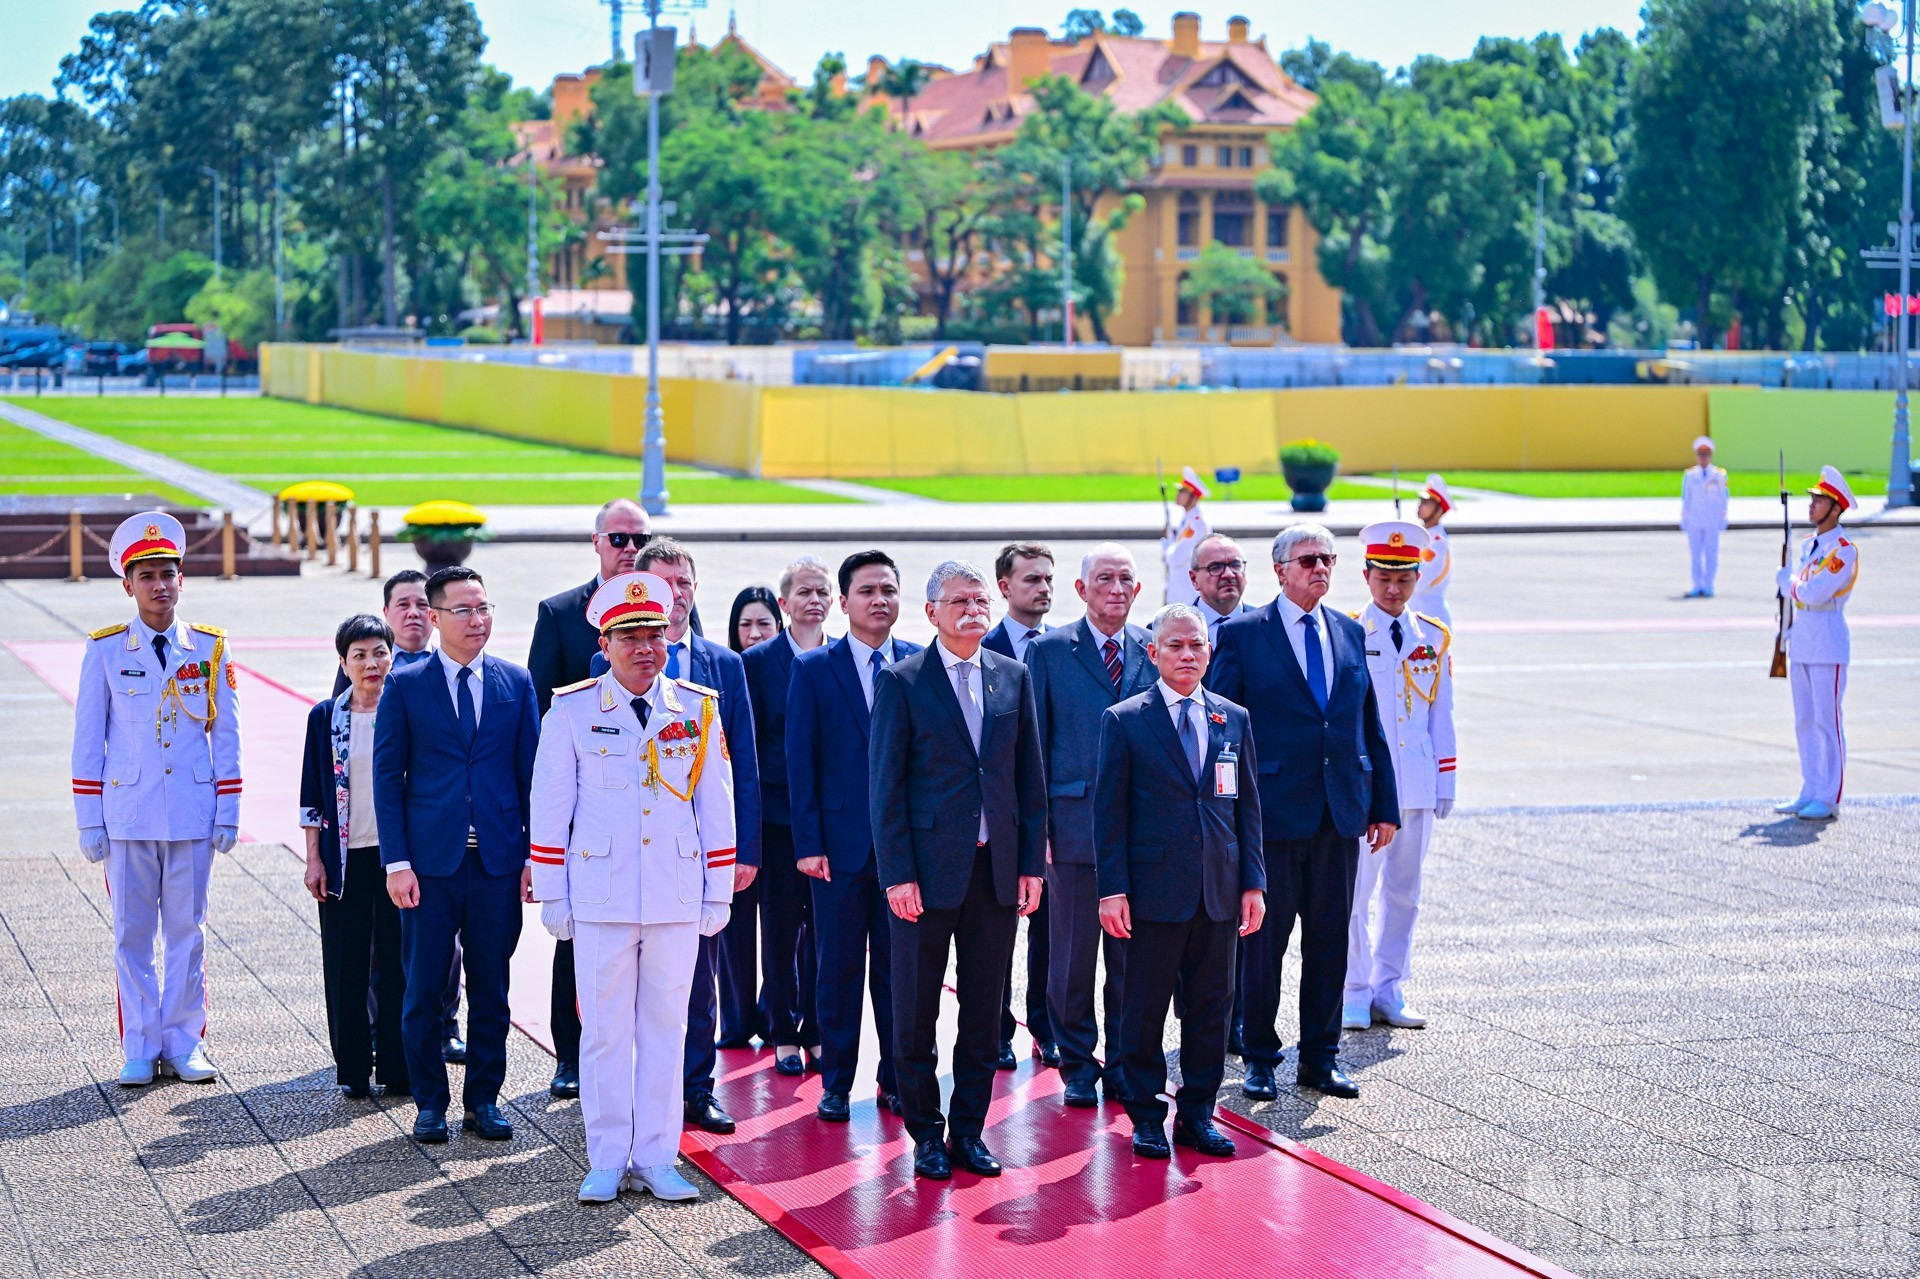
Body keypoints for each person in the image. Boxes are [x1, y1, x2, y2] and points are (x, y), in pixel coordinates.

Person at [529, 571, 737, 1204]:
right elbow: (550, 805)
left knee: (666, 1030)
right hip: (601, 893)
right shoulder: (571, 709)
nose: (646, 647)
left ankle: (657, 1156)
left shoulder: (698, 708)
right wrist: (553, 892)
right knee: (605, 1033)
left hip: (675, 894)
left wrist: (717, 890)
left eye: (656, 634)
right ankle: (606, 1156)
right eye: (630, 636)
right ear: (605, 641)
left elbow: (717, 805)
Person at [870, 560, 1047, 1180]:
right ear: (932, 614)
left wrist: (1030, 863)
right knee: (915, 1009)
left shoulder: (1012, 676)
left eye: (979, 599)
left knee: (983, 1010)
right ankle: (925, 1132)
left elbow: (1029, 779)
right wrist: (897, 875)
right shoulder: (904, 680)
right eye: (959, 601)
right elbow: (885, 787)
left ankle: (969, 1130)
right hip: (925, 874)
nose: (973, 609)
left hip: (994, 873)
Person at [1208, 524, 1398, 1101]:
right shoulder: (1244, 634)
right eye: (1309, 559)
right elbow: (1220, 727)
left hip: (1339, 815)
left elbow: (1367, 720)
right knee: (1264, 944)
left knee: (1329, 941)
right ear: (1280, 570)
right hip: (1270, 815)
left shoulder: (1348, 630)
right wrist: (1225, 811)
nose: (1321, 568)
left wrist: (1383, 802)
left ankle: (1320, 1056)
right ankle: (1261, 1057)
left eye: (1329, 559)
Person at [72, 511, 241, 1088]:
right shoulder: (105, 651)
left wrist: (230, 808)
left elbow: (228, 734)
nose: (160, 585)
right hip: (129, 814)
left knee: (189, 933)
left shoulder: (211, 647)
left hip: (192, 814)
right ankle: (140, 1044)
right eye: (147, 576)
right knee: (132, 934)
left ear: (181, 579)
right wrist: (88, 820)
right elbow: (88, 740)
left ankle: (185, 1041)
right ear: (128, 585)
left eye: (169, 573)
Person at [373, 565, 538, 1144]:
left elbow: (530, 779)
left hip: (496, 863)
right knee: (422, 988)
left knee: (492, 986)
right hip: (429, 866)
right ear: (436, 617)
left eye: (484, 608)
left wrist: (533, 857)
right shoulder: (406, 683)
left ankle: (484, 1101)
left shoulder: (515, 683)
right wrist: (397, 863)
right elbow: (387, 777)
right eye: (464, 610)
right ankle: (429, 1103)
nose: (478, 620)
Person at [1094, 604, 1265, 1159]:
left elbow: (1247, 809)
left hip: (1217, 891)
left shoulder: (1231, 717)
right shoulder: (1125, 719)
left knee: (1211, 1010)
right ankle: (1145, 1115)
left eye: (1196, 646)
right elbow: (1109, 814)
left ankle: (1197, 1113)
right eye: (1174, 646)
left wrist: (1252, 883)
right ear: (1153, 653)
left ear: (1208, 651)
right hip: (1152, 893)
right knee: (1143, 1010)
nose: (1187, 655)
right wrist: (1112, 889)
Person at [627, 538, 761, 1134]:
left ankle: (696, 1087)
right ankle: (636, 1091)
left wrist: (744, 851)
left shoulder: (722, 665)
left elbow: (743, 767)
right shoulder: (609, 659)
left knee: (699, 978)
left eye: (684, 584)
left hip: (700, 855)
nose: (675, 596)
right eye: (663, 585)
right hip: (631, 853)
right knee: (633, 981)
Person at [788, 551, 923, 1122]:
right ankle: (836, 1082)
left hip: (904, 853)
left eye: (888, 590)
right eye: (867, 591)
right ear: (843, 603)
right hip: (837, 852)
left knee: (901, 974)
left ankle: (896, 1079)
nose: (879, 600)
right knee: (838, 969)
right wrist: (808, 842)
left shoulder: (922, 663)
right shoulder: (816, 669)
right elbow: (802, 761)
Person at [526, 498, 651, 1099]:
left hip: (655, 805)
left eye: (639, 539)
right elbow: (539, 710)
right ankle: (570, 1055)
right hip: (587, 805)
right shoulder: (559, 613)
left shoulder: (673, 608)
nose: (629, 549)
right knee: (575, 933)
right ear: (596, 542)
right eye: (619, 539)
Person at [1024, 543, 1156, 1107]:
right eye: (1104, 579)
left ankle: (1125, 1061)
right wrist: (1041, 832)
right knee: (1073, 956)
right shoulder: (1049, 651)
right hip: (1072, 828)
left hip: (1140, 833)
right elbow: (1032, 749)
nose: (1117, 589)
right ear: (1080, 590)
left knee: (1133, 957)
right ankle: (1077, 1061)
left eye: (1126, 579)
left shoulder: (1154, 647)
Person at [332, 569, 465, 1066]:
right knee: (374, 944)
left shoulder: (447, 669)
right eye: (401, 604)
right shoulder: (361, 668)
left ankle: (444, 1023)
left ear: (433, 615)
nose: (412, 613)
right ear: (386, 614)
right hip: (370, 831)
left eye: (419, 604)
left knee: (441, 941)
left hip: (433, 831)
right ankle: (377, 1029)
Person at [1343, 523, 1455, 1033]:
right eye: (1384, 577)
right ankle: (1355, 989)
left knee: (1405, 893)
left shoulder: (1431, 636)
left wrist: (1445, 781)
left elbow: (1441, 714)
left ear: (1417, 577)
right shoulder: (1346, 631)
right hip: (1367, 789)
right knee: (1354, 895)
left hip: (1414, 781)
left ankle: (1390, 986)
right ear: (1366, 576)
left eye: (1405, 578)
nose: (1394, 589)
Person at [300, 614, 408, 1099]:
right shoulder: (325, 717)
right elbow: (311, 796)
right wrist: (314, 860)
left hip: (397, 858)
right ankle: (354, 1069)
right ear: (343, 662)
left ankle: (398, 1064)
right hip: (343, 858)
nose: (371, 663)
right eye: (359, 654)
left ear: (392, 655)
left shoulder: (406, 708)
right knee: (345, 962)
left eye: (379, 652)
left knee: (397, 959)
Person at [741, 560, 828, 1077]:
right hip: (777, 816)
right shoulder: (758, 662)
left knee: (825, 930)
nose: (813, 600)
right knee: (778, 927)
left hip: (831, 816)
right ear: (784, 602)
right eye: (803, 592)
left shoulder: (843, 656)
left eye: (821, 591)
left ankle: (817, 1029)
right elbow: (750, 746)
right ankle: (781, 1030)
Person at [981, 541, 1057, 1068]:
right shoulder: (976, 647)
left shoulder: (1066, 648)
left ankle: (1045, 1026)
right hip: (997, 818)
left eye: (1048, 579)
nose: (1044, 588)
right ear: (1005, 588)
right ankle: (997, 1028)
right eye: (1032, 579)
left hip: (1055, 814)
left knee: (1051, 931)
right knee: (996, 933)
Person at [1774, 467, 1859, 823]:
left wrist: (1789, 583)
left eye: (1819, 500)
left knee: (1828, 721)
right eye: (1811, 499)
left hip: (1827, 639)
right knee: (1805, 720)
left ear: (1836, 509)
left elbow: (1814, 591)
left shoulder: (1844, 551)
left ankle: (1828, 796)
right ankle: (1810, 788)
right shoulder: (1810, 545)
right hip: (1804, 639)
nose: (1812, 505)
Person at [1681, 437, 1729, 598]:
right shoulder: (1689, 475)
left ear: (1711, 456)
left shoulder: (1719, 475)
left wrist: (1723, 517)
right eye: (1700, 454)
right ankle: (1697, 585)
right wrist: (1684, 518)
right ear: (1696, 456)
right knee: (1695, 555)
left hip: (1712, 520)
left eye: (1706, 454)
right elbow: (1686, 499)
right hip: (1695, 519)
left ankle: (1709, 585)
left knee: (1711, 554)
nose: (1703, 458)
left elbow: (1724, 498)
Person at [1159, 466, 1212, 606]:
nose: (1178, 494)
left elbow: (1177, 557)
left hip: (1187, 596)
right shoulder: (1187, 519)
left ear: (1193, 496)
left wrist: (1166, 545)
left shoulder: (1197, 524)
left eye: (1182, 491)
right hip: (1179, 593)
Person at [1190, 533, 1254, 644]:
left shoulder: (1271, 626)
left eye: (1235, 565)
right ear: (1194, 579)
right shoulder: (1168, 630)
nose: (1228, 574)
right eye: (1215, 567)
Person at [1410, 475, 1453, 627]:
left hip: (1430, 616)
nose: (1420, 505)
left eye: (1426, 503)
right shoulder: (1422, 536)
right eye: (1421, 501)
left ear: (1439, 510)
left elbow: (1419, 583)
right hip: (1417, 611)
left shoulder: (1437, 543)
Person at [729, 585, 783, 653]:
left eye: (763, 624)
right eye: (746, 624)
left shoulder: (795, 662)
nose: (755, 634)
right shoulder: (721, 663)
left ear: (777, 627)